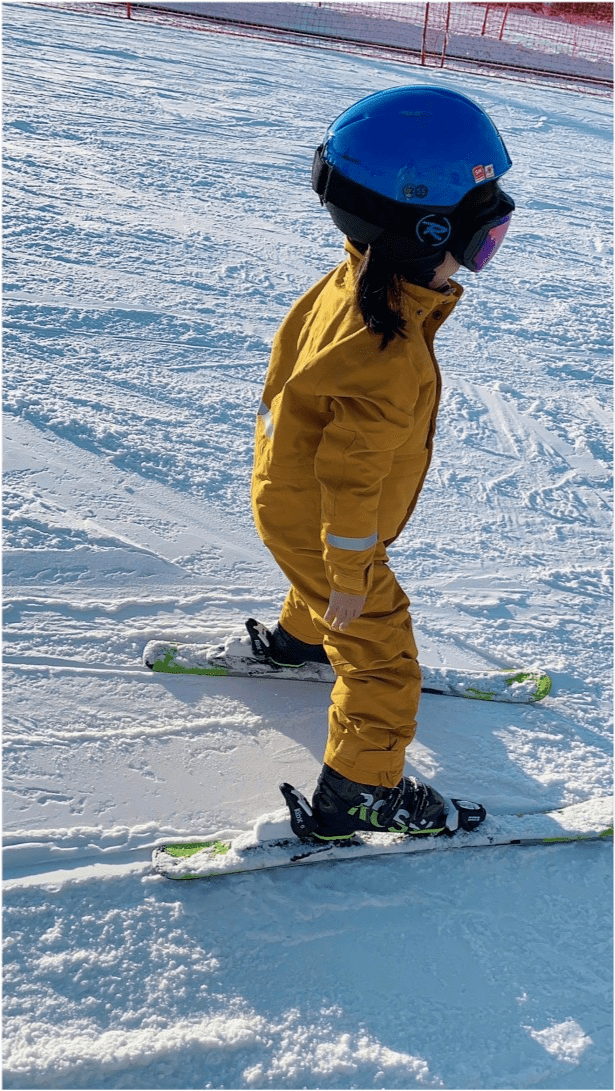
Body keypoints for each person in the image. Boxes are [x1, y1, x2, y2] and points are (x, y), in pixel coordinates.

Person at [249, 85, 515, 841]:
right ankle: (359, 790)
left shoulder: (349, 284)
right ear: (419, 232)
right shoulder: (387, 350)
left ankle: (302, 638)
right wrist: (349, 568)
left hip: (288, 498)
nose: (471, 265)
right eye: (477, 244)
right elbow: (352, 475)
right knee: (381, 654)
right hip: (328, 519)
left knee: (330, 577)